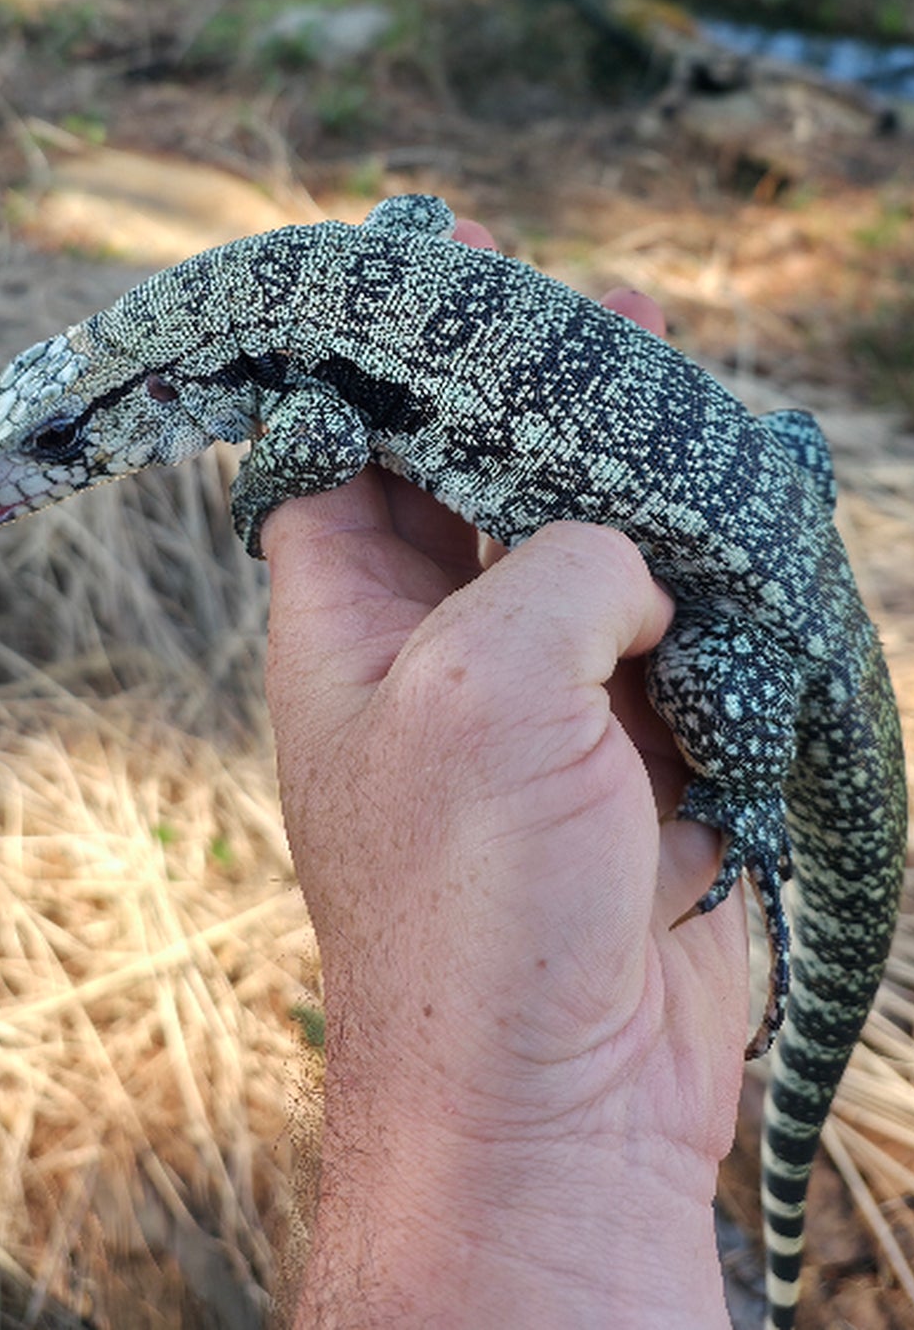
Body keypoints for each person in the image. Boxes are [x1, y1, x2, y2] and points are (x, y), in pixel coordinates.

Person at [260, 223, 749, 1329]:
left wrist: (742, 797)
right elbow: (420, 214)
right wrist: (568, 1155)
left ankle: (753, 800)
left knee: (716, 701)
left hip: (756, 618)